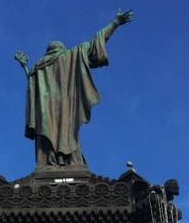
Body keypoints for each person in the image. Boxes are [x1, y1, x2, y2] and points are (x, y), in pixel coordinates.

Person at [15, 9, 132, 167]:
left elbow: (33, 87)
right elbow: (96, 42)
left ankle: (51, 159)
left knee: (47, 131)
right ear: (61, 48)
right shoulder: (71, 55)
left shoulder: (38, 66)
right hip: (67, 105)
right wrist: (115, 23)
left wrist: (25, 68)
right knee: (67, 131)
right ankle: (69, 158)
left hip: (46, 108)